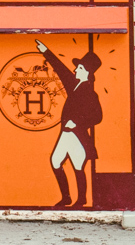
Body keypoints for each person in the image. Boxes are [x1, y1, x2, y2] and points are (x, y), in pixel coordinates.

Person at [35, 38, 103, 210]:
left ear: (87, 72)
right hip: (66, 133)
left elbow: (97, 117)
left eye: (79, 68)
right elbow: (61, 70)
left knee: (78, 166)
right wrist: (46, 51)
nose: (75, 70)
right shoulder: (74, 86)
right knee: (55, 161)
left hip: (76, 135)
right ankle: (66, 198)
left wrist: (77, 123)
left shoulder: (90, 93)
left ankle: (81, 200)